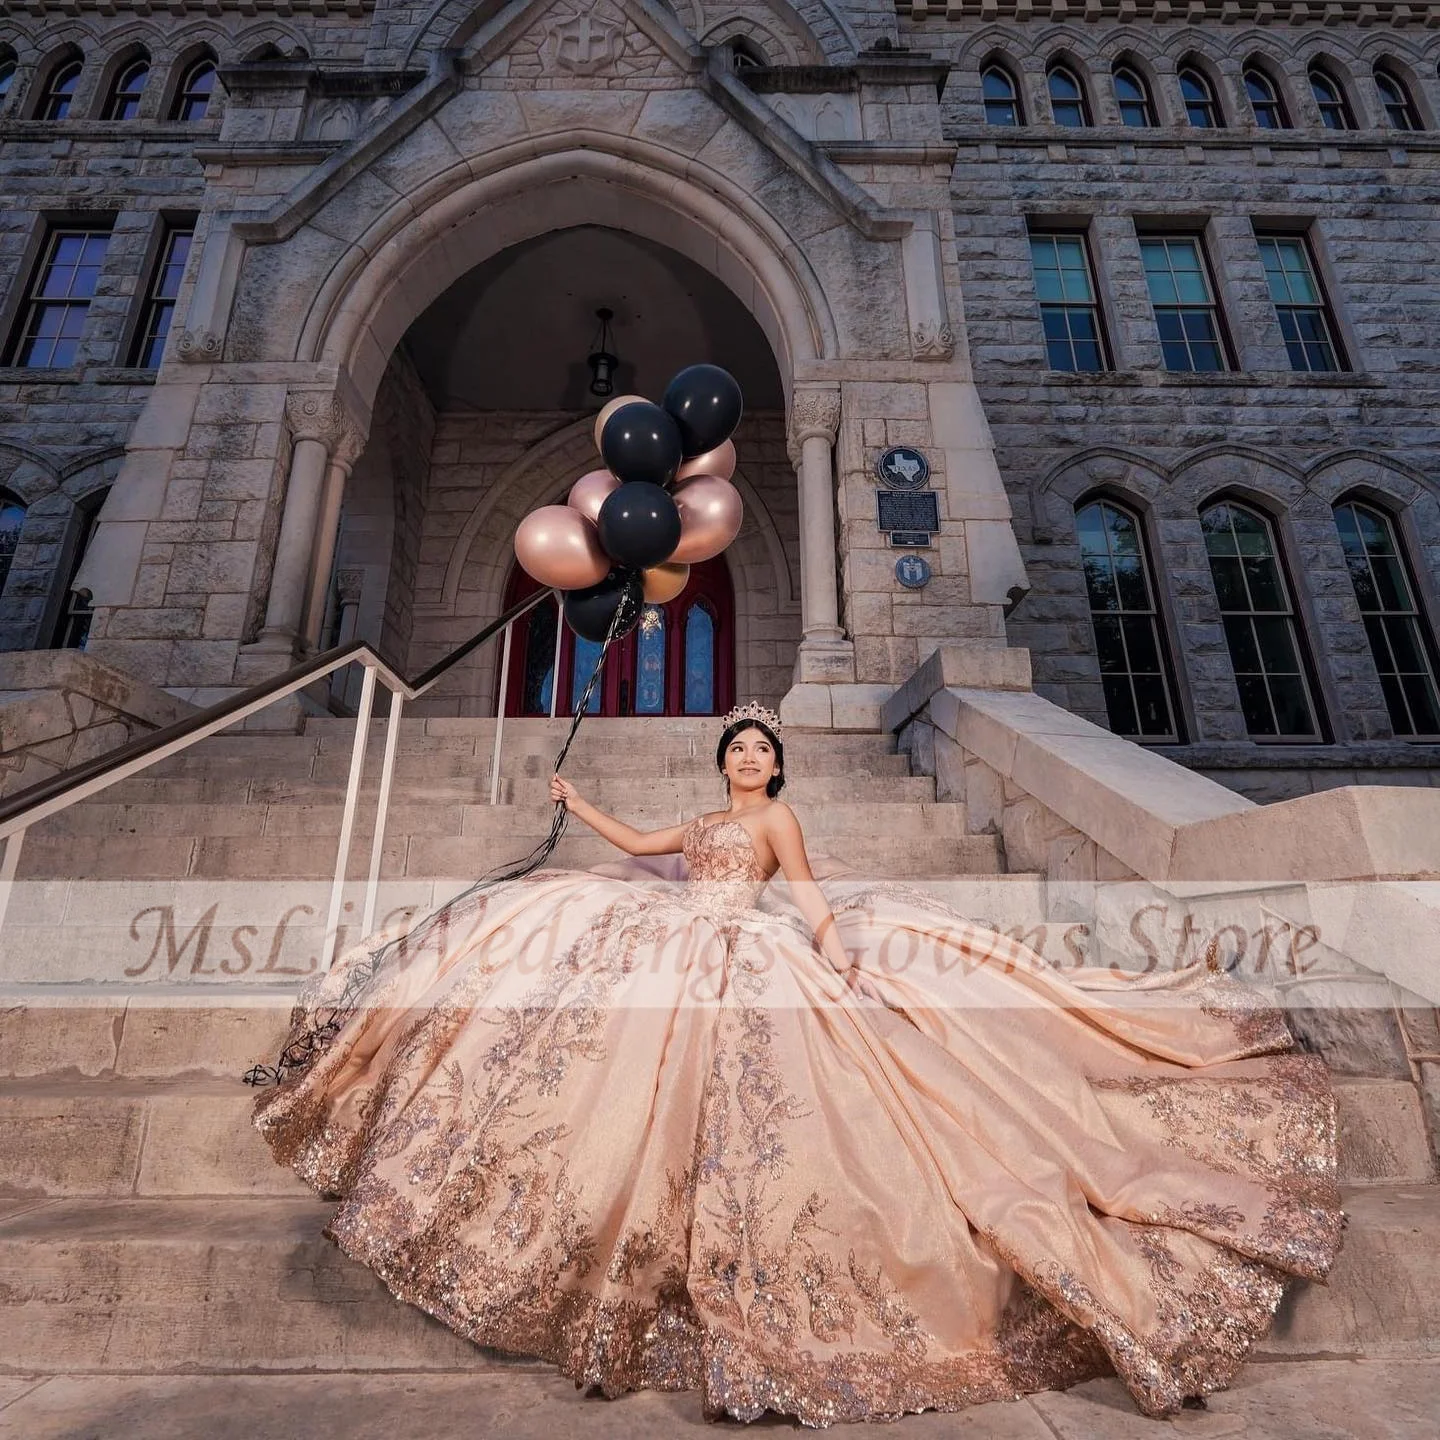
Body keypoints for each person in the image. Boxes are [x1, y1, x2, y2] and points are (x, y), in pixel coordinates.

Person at [252, 700, 1342, 1427]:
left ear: (778, 767)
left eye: (762, 750)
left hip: (749, 947)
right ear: (719, 760)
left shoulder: (777, 821)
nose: (748, 759)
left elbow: (809, 895)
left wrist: (835, 955)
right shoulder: (698, 818)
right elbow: (638, 851)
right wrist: (577, 807)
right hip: (673, 934)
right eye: (737, 749)